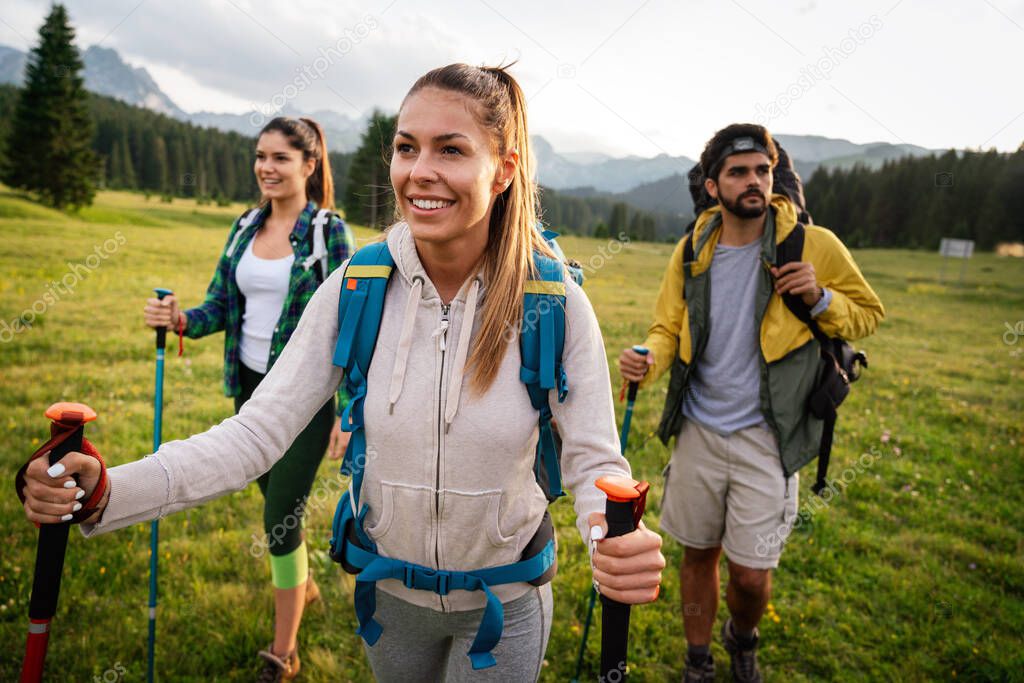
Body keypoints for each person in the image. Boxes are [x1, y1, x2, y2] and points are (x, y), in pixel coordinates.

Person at [21, 65, 664, 682]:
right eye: (406, 147)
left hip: (506, 606)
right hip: (387, 600)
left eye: (451, 150)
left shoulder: (552, 301)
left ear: (505, 170)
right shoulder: (357, 286)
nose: (420, 172)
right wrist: (106, 490)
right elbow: (255, 436)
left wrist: (613, 536)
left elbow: (592, 465)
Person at [619, 124, 884, 683]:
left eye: (762, 170)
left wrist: (821, 296)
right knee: (697, 555)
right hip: (699, 431)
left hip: (770, 438)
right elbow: (668, 325)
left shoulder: (813, 245)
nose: (754, 182)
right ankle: (697, 662)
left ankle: (743, 638)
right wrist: (649, 357)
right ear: (713, 185)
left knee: (751, 576)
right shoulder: (694, 246)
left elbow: (869, 313)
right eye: (739, 172)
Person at [141, 116, 355, 680]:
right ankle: (302, 584)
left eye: (281, 157)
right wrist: (180, 319)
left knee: (279, 518)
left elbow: (354, 327)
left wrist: (350, 410)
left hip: (304, 400)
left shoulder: (328, 232)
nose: (266, 167)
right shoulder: (244, 226)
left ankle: (283, 651)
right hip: (249, 391)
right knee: (276, 507)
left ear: (309, 165)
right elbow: (219, 304)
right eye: (261, 155)